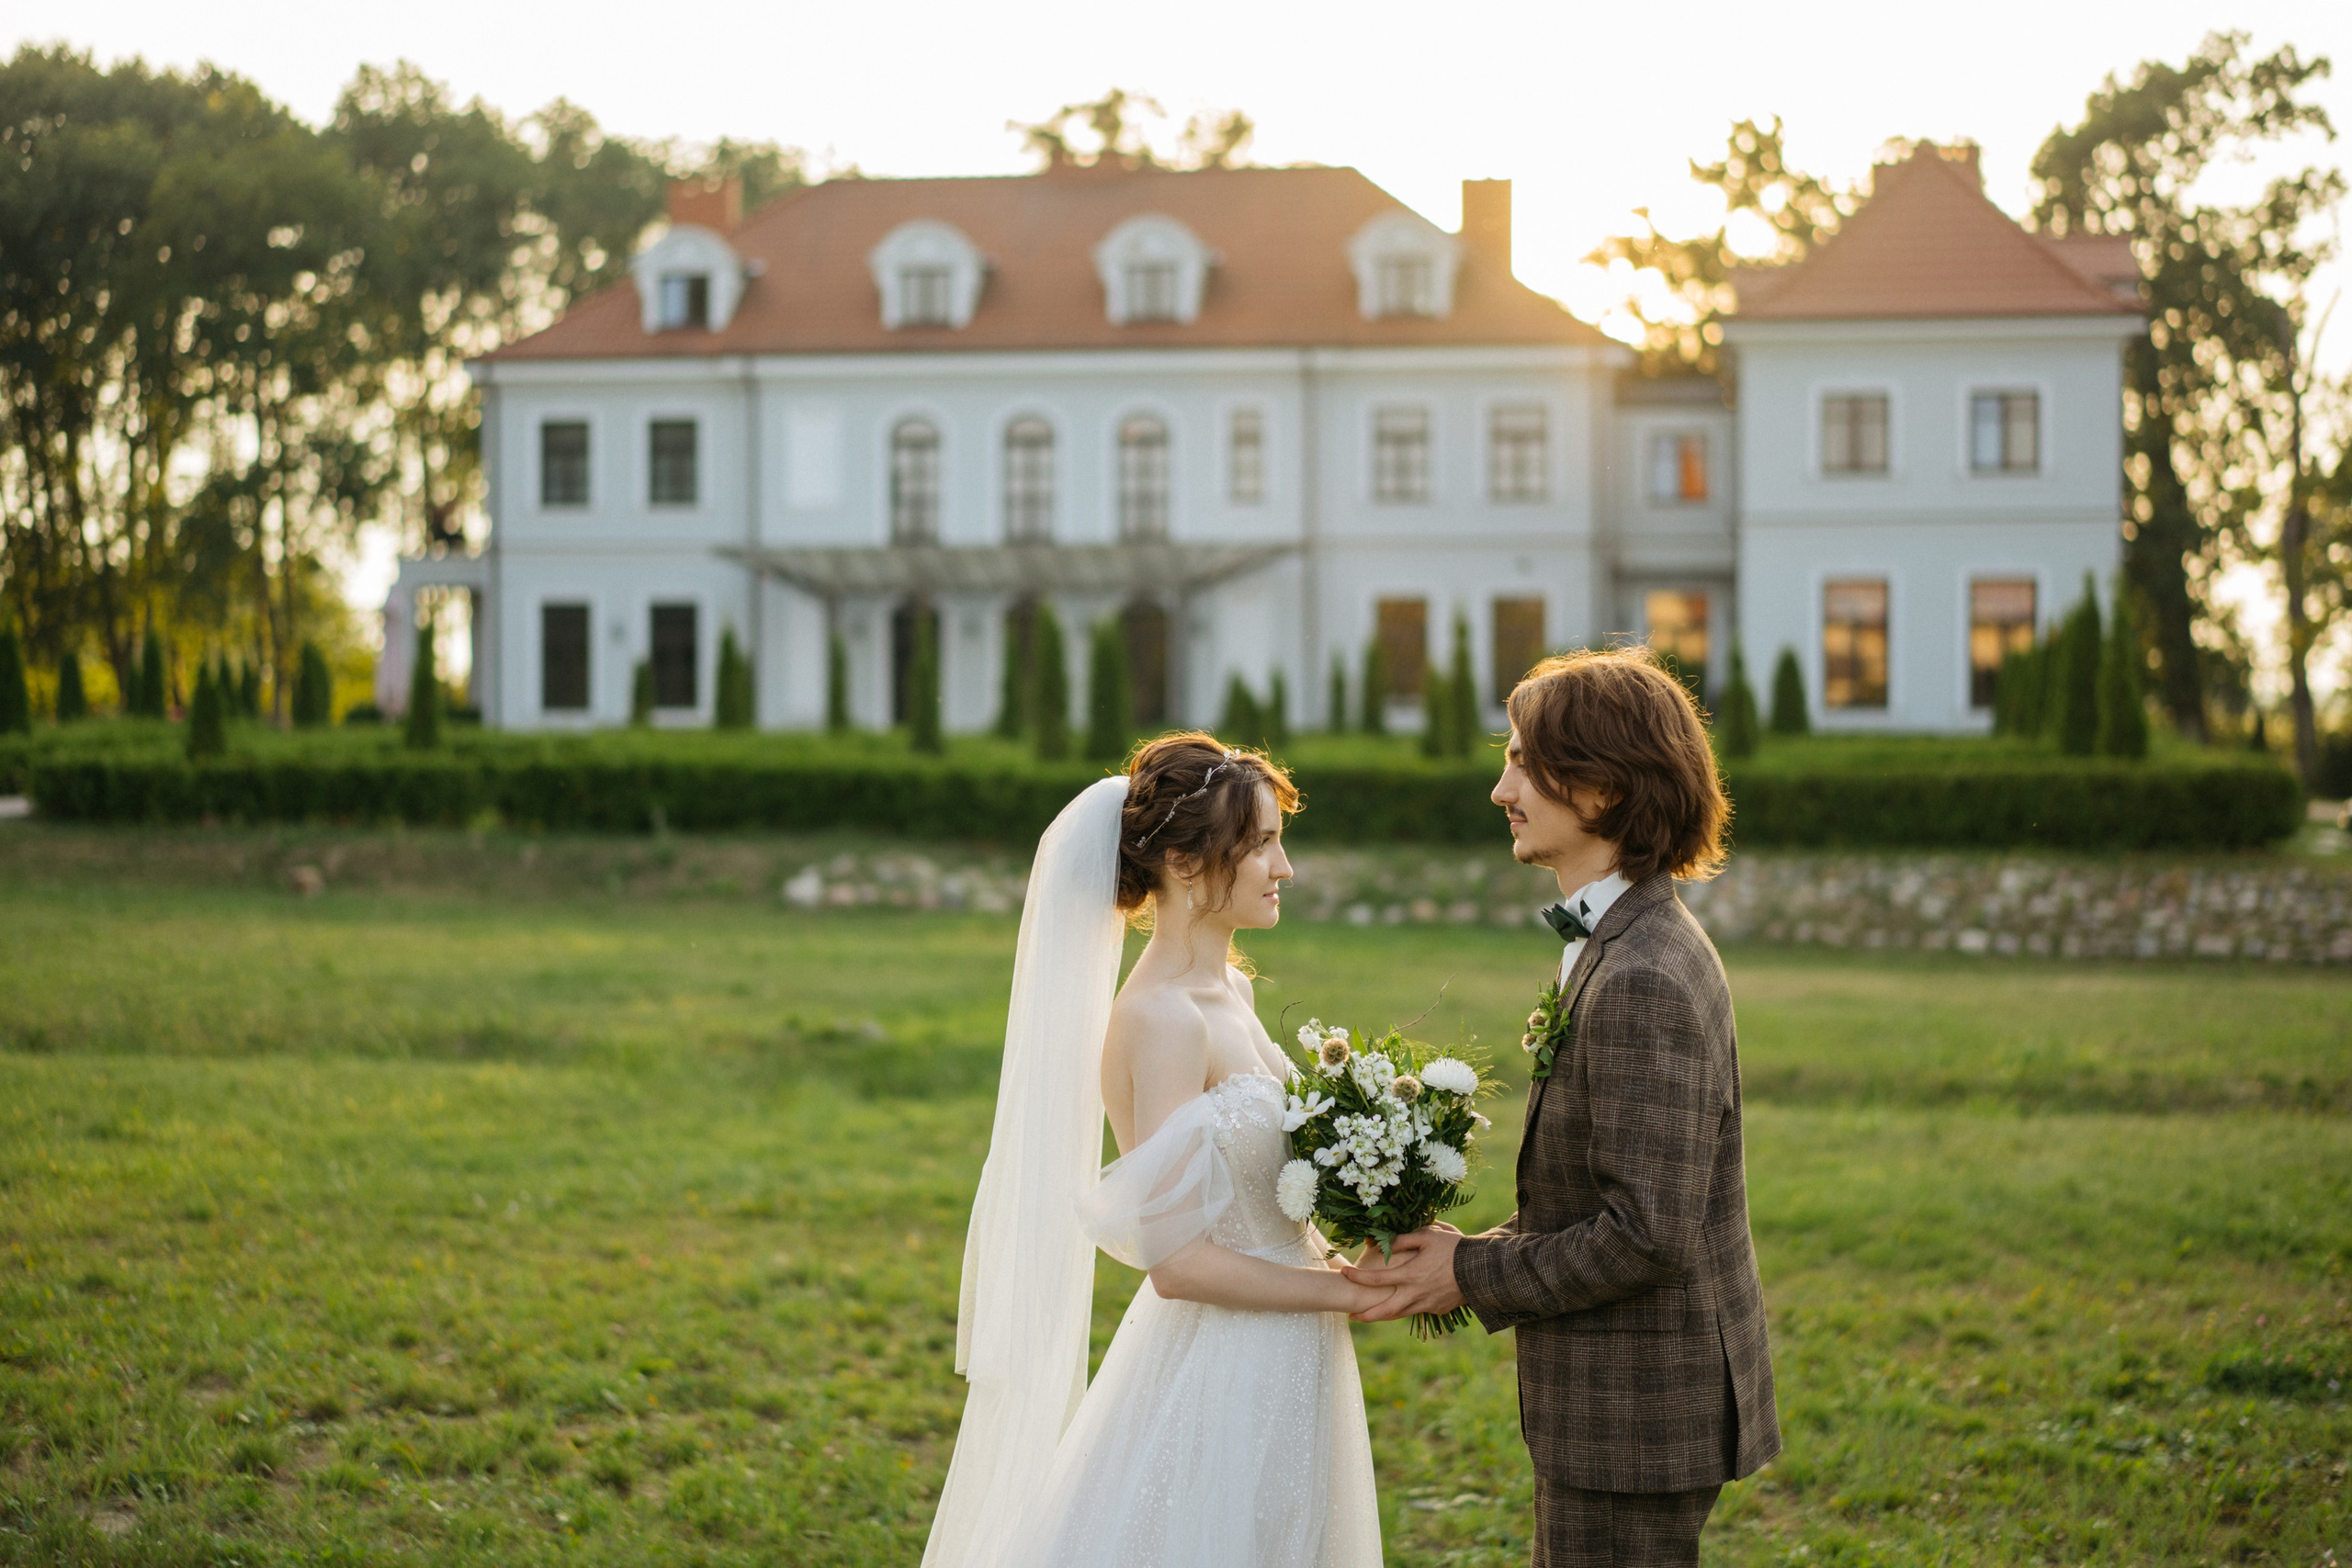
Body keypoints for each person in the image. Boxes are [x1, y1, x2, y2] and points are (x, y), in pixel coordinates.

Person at [1345, 650, 1780, 1568]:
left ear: (1600, 786)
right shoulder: (1623, 934)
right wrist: (1468, 1250)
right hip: (1622, 1405)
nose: (1500, 789)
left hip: (1635, 1417)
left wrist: (1470, 1273)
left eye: (1521, 762)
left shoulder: (1642, 974)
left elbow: (1644, 1235)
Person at [924, 733, 1391, 1568]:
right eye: (1261, 844)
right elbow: (1177, 1261)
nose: (1284, 868)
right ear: (1182, 862)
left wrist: (1366, 1221)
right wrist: (1342, 1294)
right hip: (1224, 1363)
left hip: (1292, 1344)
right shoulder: (1161, 1019)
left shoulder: (1231, 990)